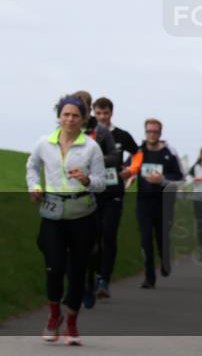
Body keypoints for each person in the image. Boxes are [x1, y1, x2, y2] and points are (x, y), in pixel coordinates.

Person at [26, 95, 106, 346]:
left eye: (75, 115)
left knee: (78, 269)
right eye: (65, 114)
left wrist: (86, 181)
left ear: (83, 119)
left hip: (82, 214)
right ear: (59, 116)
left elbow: (102, 183)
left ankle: (71, 321)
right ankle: (53, 316)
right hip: (52, 212)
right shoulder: (43, 143)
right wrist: (35, 186)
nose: (70, 119)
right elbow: (31, 167)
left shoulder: (91, 147)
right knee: (54, 266)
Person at [122, 118, 184, 289]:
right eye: (149, 131)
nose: (152, 134)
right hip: (144, 202)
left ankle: (165, 261)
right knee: (145, 239)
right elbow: (127, 170)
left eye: (155, 131)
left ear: (160, 133)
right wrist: (127, 175)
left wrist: (162, 180)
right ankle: (149, 277)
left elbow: (180, 179)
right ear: (145, 132)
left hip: (164, 202)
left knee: (162, 238)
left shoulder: (169, 152)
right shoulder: (138, 152)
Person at [71, 91, 119, 309]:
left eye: (82, 105)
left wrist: (95, 159)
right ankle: (73, 284)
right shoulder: (64, 129)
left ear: (88, 108)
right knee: (68, 243)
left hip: (96, 193)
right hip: (69, 192)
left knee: (92, 242)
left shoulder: (99, 131)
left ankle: (89, 281)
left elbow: (115, 157)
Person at [89, 96, 138, 299]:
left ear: (111, 113)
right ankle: (91, 276)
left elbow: (138, 153)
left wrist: (131, 170)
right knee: (93, 237)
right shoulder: (88, 134)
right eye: (98, 113)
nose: (102, 117)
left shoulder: (122, 135)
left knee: (108, 235)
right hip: (92, 192)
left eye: (105, 113)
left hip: (114, 192)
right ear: (93, 113)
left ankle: (104, 280)